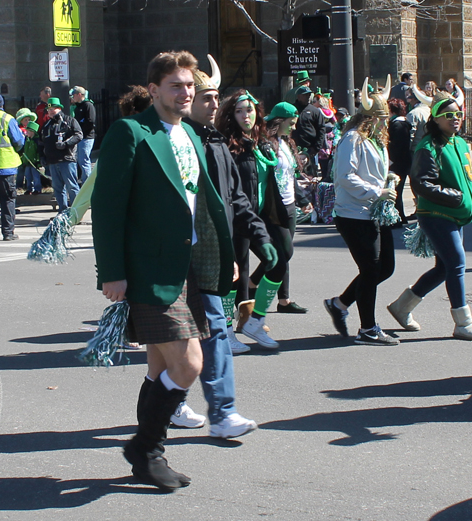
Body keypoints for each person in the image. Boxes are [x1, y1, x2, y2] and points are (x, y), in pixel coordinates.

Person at [91, 50, 235, 491]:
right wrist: (111, 271)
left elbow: (200, 204)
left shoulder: (190, 134)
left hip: (187, 264)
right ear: (153, 90)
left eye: (190, 85)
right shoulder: (130, 133)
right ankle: (145, 447)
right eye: (176, 85)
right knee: (190, 362)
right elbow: (107, 206)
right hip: (148, 270)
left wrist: (221, 259)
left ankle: (150, 453)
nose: (186, 92)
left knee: (158, 366)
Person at [180, 55, 274, 435]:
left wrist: (261, 236)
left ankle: (222, 413)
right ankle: (171, 401)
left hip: (209, 256)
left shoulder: (217, 143)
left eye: (217, 97)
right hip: (175, 257)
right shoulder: (173, 139)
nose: (215, 104)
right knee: (172, 344)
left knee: (216, 329)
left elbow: (236, 198)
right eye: (207, 97)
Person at [388, 90, 472, 341]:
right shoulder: (428, 146)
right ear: (435, 119)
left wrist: (470, 194)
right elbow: (421, 183)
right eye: (448, 115)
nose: (455, 118)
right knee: (456, 263)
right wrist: (456, 197)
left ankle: (402, 307)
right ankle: (463, 322)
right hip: (437, 214)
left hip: (454, 214)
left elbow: (466, 177)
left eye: (458, 114)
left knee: (445, 267)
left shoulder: (459, 143)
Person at [324, 76, 400, 346]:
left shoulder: (377, 140)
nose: (385, 122)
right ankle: (368, 328)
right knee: (371, 269)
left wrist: (389, 179)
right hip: (354, 214)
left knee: (385, 268)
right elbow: (345, 177)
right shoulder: (352, 140)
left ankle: (340, 303)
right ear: (367, 118)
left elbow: (372, 171)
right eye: (380, 118)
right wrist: (376, 191)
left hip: (376, 212)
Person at [216, 89, 290, 348]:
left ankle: (255, 321)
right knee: (237, 273)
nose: (245, 115)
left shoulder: (263, 141)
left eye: (249, 110)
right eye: (239, 111)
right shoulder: (227, 144)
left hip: (261, 217)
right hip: (236, 218)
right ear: (230, 114)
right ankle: (226, 331)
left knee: (280, 259)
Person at [249, 101, 312, 313]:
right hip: (273, 207)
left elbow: (290, 176)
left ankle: (283, 299)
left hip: (289, 204)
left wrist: (303, 200)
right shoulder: (265, 143)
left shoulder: (285, 142)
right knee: (284, 253)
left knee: (283, 255)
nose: (293, 126)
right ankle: (255, 291)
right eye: (291, 122)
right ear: (279, 121)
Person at [39, 97, 82, 212]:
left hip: (67, 159)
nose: (51, 111)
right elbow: (42, 142)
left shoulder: (69, 121)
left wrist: (66, 144)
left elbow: (78, 135)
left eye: (53, 108)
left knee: (72, 187)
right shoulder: (47, 125)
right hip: (52, 161)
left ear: (59, 108)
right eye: (49, 109)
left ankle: (75, 212)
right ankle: (62, 212)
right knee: (58, 189)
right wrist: (42, 156)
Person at [0, 93, 25, 241]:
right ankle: (8, 232)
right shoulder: (7, 118)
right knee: (7, 199)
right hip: (6, 165)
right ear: (2, 104)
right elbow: (18, 141)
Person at [292, 85, 326, 177]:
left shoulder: (315, 111)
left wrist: (316, 148)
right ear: (299, 96)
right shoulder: (292, 109)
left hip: (310, 150)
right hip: (293, 149)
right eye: (305, 95)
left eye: (309, 95)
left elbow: (321, 130)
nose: (307, 97)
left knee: (311, 178)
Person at [388, 97, 412, 224]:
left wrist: (390, 162)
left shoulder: (398, 125)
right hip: (403, 163)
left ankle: (398, 218)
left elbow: (396, 147)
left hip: (398, 164)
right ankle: (400, 216)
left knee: (395, 192)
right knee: (397, 192)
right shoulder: (403, 123)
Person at [70, 86, 96, 184]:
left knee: (84, 160)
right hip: (80, 137)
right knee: (79, 160)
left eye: (74, 95)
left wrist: (81, 131)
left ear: (79, 94)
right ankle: (82, 179)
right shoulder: (77, 107)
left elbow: (91, 121)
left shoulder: (88, 105)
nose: (72, 97)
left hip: (87, 137)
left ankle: (87, 182)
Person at [406, 85, 431, 154]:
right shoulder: (430, 111)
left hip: (416, 151)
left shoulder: (413, 114)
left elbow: (409, 136)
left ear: (414, 99)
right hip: (429, 149)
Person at [21, 121, 43, 195]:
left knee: (36, 176)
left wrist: (37, 161)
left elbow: (38, 152)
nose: (26, 133)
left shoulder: (37, 141)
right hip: (27, 161)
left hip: (34, 162)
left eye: (28, 131)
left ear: (33, 132)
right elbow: (25, 151)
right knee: (28, 176)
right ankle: (29, 188)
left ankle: (37, 189)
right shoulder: (26, 140)